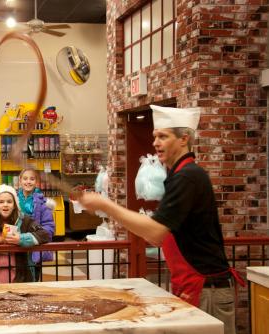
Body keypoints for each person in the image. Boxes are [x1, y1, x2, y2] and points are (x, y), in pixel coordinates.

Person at [78, 105, 243, 334]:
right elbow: (155, 237)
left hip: (207, 289)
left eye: (163, 136)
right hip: (195, 286)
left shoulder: (188, 176)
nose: (155, 143)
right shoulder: (179, 175)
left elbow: (156, 232)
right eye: (155, 136)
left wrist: (106, 205)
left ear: (184, 138)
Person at [0, 184, 50, 284]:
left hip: (20, 275)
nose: (5, 205)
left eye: (9, 201)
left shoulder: (24, 220)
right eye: (1, 202)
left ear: (15, 204)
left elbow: (44, 234)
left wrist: (21, 239)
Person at [17, 168, 55, 281]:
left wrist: (35, 237)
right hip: (15, 245)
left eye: (32, 179)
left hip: (33, 247)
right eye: (25, 178)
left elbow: (49, 227)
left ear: (36, 182)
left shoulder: (43, 204)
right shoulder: (12, 199)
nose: (28, 182)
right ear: (20, 181)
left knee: (32, 279)